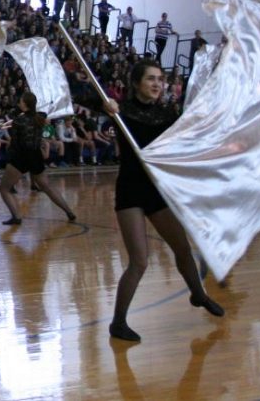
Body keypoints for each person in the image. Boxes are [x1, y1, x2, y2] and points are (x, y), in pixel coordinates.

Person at [98, 60, 224, 342]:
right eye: (151, 79)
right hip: (131, 191)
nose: (157, 84)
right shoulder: (121, 111)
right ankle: (118, 323)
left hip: (156, 190)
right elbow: (84, 98)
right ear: (136, 83)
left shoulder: (167, 113)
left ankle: (198, 295)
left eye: (161, 79)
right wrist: (105, 106)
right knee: (139, 261)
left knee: (182, 247)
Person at [0, 92, 77, 225]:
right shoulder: (40, 117)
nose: (19, 102)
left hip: (21, 156)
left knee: (4, 188)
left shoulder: (19, 120)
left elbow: (15, 142)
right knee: (47, 187)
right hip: (36, 155)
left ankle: (16, 216)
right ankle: (69, 211)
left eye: (21, 101)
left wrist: (10, 156)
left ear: (25, 103)